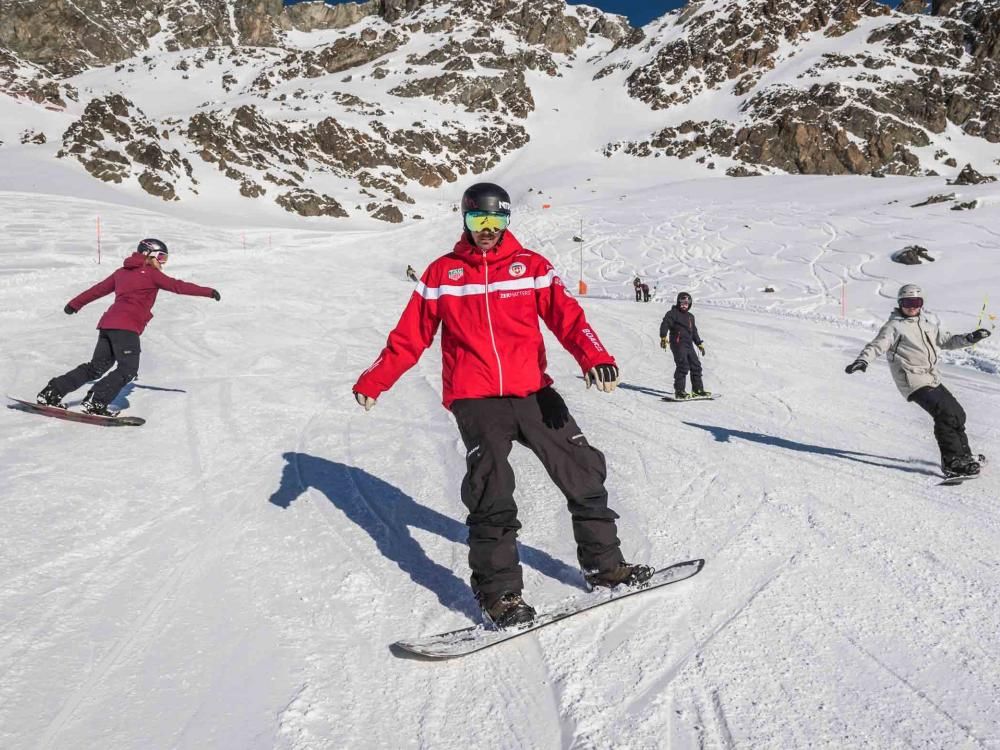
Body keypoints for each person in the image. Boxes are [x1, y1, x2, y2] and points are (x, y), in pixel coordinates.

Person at [353, 182, 652, 629]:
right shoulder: (442, 275)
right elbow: (410, 335)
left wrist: (596, 358)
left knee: (582, 470)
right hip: (475, 397)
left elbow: (568, 318)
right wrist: (376, 380)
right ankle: (500, 595)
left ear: (507, 220)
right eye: (479, 219)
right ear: (465, 220)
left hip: (532, 391)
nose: (488, 228)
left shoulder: (530, 267)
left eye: (496, 219)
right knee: (491, 488)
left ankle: (604, 566)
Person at [36, 239, 220, 416]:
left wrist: (74, 304)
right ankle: (96, 401)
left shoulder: (121, 273)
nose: (163, 262)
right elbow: (177, 286)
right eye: (161, 257)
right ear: (148, 254)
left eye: (165, 258)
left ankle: (52, 392)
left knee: (96, 367)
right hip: (126, 328)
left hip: (107, 324)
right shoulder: (151, 273)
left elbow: (97, 290)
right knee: (128, 369)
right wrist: (208, 292)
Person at [845, 283, 991, 478]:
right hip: (912, 379)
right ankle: (952, 462)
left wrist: (970, 338)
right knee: (945, 414)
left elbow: (947, 340)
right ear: (900, 303)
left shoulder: (926, 323)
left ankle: (964, 455)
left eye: (916, 302)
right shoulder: (893, 327)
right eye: (907, 302)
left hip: (930, 377)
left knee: (957, 413)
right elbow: (877, 345)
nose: (912, 307)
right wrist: (863, 360)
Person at [659, 292, 709, 399]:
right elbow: (665, 323)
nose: (684, 305)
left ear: (689, 304)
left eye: (686, 303)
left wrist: (699, 343)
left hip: (688, 344)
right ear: (678, 302)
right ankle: (679, 391)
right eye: (682, 303)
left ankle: (697, 390)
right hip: (677, 343)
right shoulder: (672, 313)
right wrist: (663, 336)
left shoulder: (691, 317)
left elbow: (694, 331)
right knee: (683, 365)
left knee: (696, 366)